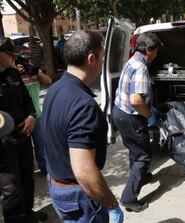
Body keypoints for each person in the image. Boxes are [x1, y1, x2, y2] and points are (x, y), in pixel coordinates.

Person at [42, 31, 123, 222]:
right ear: (91, 58)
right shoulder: (83, 104)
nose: (103, 62)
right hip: (77, 196)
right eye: (103, 57)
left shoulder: (55, 88)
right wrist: (112, 204)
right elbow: (84, 172)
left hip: (57, 185)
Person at [112, 32, 162, 212]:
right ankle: (129, 198)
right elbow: (136, 100)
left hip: (119, 112)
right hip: (131, 116)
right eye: (155, 51)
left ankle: (140, 176)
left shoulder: (131, 61)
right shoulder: (140, 67)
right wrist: (148, 114)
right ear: (148, 50)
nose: (156, 55)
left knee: (135, 149)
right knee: (143, 156)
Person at [0, 36, 48, 222]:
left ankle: (28, 213)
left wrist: (31, 116)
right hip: (3, 147)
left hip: (22, 137)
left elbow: (27, 99)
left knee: (27, 179)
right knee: (10, 188)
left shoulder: (12, 74)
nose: (14, 57)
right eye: (10, 54)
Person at [16, 55, 52, 174]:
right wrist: (16, 74)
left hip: (37, 115)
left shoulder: (34, 73)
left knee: (41, 143)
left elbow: (48, 81)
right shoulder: (14, 76)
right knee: (24, 147)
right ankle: (26, 171)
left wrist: (37, 71)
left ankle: (45, 168)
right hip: (21, 118)